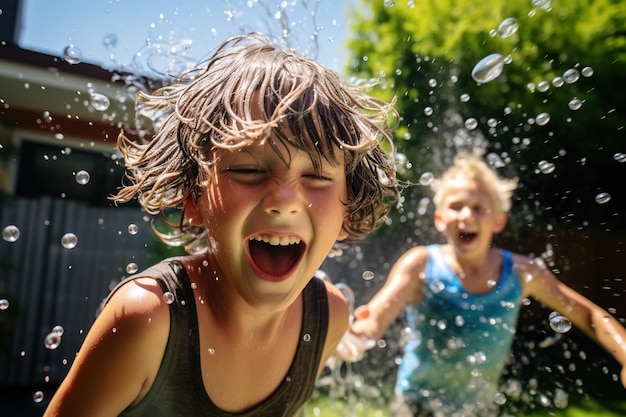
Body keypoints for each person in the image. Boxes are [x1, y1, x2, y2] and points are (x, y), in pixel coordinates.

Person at [43, 32, 400, 417]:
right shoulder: (148, 319)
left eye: (315, 176)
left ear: (347, 211)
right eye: (249, 169)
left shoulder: (328, 317)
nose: (284, 200)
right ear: (192, 198)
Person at [337, 152, 626, 417]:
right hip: (415, 407)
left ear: (498, 221)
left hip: (477, 410)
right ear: (440, 219)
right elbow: (374, 319)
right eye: (456, 206)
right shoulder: (421, 265)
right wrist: (352, 339)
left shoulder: (521, 272)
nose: (466, 216)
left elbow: (588, 315)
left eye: (478, 208)